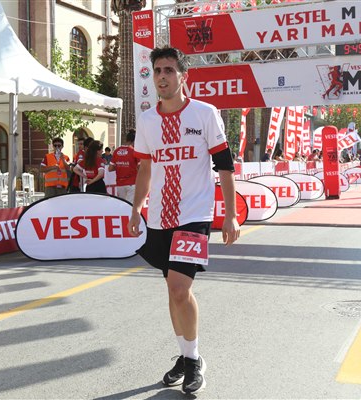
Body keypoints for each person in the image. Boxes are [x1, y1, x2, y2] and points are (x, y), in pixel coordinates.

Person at [127, 46, 240, 395]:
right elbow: (145, 168)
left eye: (169, 70)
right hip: (159, 217)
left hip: (194, 215)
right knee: (172, 290)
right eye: (158, 71)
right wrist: (136, 207)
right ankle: (185, 354)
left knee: (180, 289)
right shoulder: (147, 121)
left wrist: (231, 215)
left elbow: (225, 167)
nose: (162, 76)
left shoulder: (205, 114)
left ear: (183, 76)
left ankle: (193, 360)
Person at [108, 129, 139, 203]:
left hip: (120, 184)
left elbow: (110, 168)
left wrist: (121, 165)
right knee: (130, 206)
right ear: (135, 141)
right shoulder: (134, 151)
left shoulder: (116, 151)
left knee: (122, 205)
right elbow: (140, 168)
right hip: (132, 183)